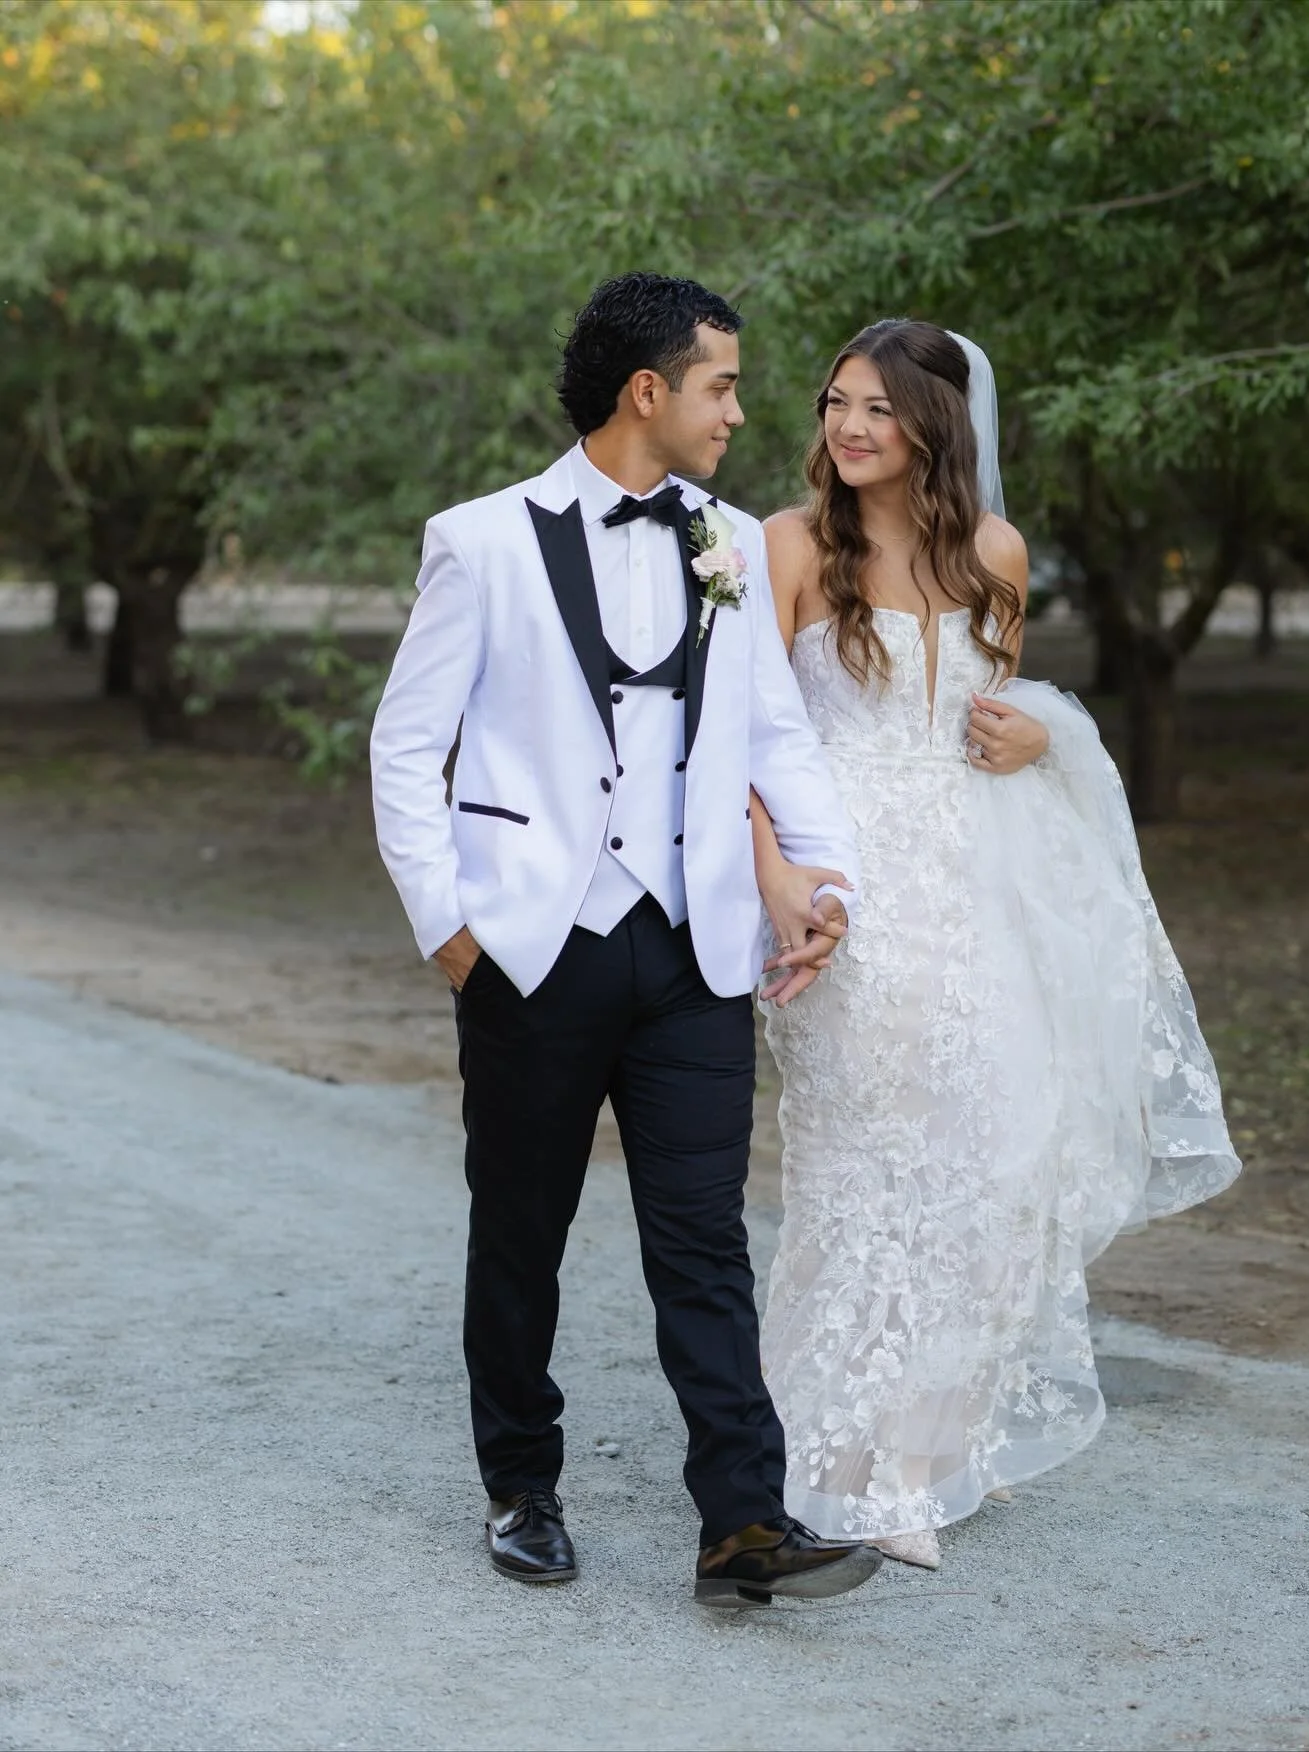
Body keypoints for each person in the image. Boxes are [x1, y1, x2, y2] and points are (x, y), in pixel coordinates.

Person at [369, 272, 882, 1608]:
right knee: (522, 1229)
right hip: (534, 948)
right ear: (646, 391)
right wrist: (453, 933)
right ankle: (521, 1485)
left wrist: (826, 881)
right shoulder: (481, 543)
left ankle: (742, 1523)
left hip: (697, 949)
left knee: (704, 1237)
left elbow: (775, 736)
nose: (741, 410)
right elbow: (406, 748)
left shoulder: (723, 537)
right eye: (721, 383)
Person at [752, 320, 1241, 1570]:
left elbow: (994, 718)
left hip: (980, 889)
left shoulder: (997, 554)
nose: (846, 427)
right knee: (868, 1171)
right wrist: (785, 886)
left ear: (937, 425)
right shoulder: (792, 547)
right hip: (848, 897)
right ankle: (839, 1452)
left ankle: (929, 1436)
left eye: (876, 408)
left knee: (996, 1158)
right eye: (834, 403)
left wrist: (1037, 736)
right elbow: (751, 743)